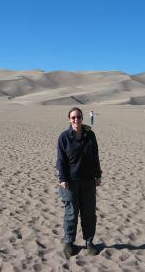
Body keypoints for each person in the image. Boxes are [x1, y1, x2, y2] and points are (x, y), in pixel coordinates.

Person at [56, 107, 102, 257]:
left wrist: (98, 175)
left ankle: (89, 242)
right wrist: (63, 179)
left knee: (89, 213)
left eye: (79, 117)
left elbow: (95, 156)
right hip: (70, 182)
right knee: (71, 213)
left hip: (88, 181)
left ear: (82, 119)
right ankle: (69, 241)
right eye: (73, 118)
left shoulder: (90, 135)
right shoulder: (64, 137)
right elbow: (60, 160)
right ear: (69, 120)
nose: (76, 120)